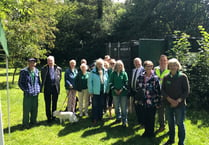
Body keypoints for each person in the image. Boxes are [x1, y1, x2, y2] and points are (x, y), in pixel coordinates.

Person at [162, 58, 190, 145]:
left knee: (179, 123)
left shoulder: (183, 77)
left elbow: (187, 91)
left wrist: (178, 101)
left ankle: (181, 142)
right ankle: (171, 139)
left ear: (178, 66)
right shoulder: (166, 77)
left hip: (180, 104)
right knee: (170, 123)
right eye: (171, 65)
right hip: (168, 104)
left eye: (175, 65)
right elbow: (162, 90)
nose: (173, 67)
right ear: (168, 67)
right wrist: (169, 100)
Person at [136, 60, 161, 137]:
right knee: (145, 117)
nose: (149, 68)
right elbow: (137, 88)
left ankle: (151, 132)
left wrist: (158, 102)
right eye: (147, 66)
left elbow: (158, 90)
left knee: (151, 117)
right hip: (143, 101)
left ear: (152, 67)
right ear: (144, 67)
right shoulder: (140, 77)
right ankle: (146, 132)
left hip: (153, 101)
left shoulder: (155, 78)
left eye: (150, 66)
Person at [18, 58, 41, 129]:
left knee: (35, 109)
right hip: (28, 94)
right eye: (30, 62)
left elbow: (38, 81)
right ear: (28, 63)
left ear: (35, 64)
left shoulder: (37, 71)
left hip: (35, 93)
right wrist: (26, 90)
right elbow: (20, 83)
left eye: (33, 62)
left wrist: (39, 89)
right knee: (26, 109)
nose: (32, 64)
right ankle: (25, 124)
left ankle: (33, 121)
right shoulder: (24, 71)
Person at [41, 56, 62, 123]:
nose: (50, 62)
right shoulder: (44, 69)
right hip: (47, 88)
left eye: (51, 61)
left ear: (54, 61)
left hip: (55, 87)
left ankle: (54, 116)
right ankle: (48, 118)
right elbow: (42, 78)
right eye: (49, 61)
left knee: (54, 103)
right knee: (47, 103)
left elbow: (59, 78)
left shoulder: (58, 68)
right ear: (47, 62)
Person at [88, 58, 108, 124]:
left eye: (101, 64)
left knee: (101, 105)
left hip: (103, 91)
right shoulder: (92, 72)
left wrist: (107, 90)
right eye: (98, 64)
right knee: (95, 105)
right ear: (96, 65)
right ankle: (94, 118)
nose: (100, 65)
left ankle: (100, 117)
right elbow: (89, 83)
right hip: (95, 92)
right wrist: (90, 92)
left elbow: (107, 81)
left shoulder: (105, 71)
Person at [109, 60, 129, 127]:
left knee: (123, 108)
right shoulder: (113, 73)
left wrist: (121, 89)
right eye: (118, 65)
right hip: (115, 93)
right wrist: (114, 89)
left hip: (123, 93)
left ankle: (124, 121)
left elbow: (126, 83)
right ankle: (118, 118)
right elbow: (110, 83)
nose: (119, 66)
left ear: (122, 66)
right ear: (116, 66)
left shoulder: (124, 73)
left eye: (120, 65)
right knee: (116, 107)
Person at [154, 55, 170, 133]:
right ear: (159, 61)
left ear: (167, 61)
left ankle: (170, 126)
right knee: (160, 111)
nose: (163, 62)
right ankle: (162, 126)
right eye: (161, 60)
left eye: (164, 60)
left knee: (169, 111)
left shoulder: (170, 70)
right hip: (158, 93)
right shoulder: (155, 69)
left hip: (167, 94)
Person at [131, 57, 144, 125]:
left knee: (140, 106)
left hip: (140, 92)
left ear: (141, 62)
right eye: (135, 62)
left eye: (137, 62)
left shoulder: (143, 70)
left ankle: (142, 121)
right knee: (136, 106)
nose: (136, 63)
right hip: (134, 91)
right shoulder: (133, 70)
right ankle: (138, 120)